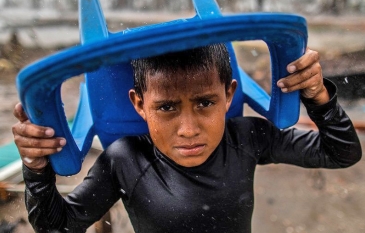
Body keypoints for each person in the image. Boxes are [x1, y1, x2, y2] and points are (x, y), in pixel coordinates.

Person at [12, 44, 362, 233]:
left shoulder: (247, 136)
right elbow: (55, 224)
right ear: (139, 104)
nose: (188, 129)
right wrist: (36, 166)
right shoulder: (126, 159)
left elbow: (340, 153)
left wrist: (319, 98)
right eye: (166, 107)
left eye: (205, 102)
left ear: (228, 94)